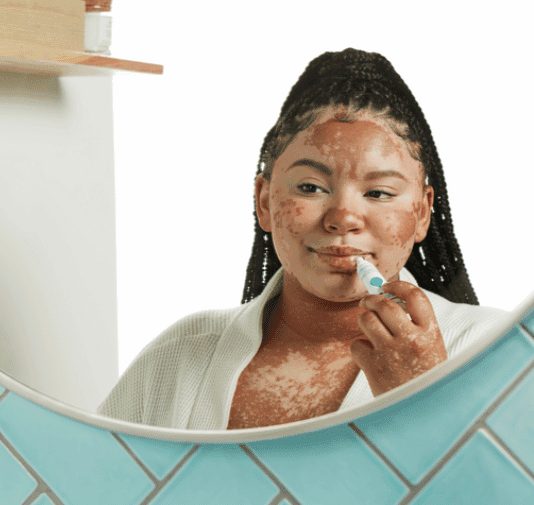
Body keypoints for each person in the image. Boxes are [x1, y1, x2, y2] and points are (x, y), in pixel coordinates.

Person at [98, 48, 508, 430]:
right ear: (264, 202)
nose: (343, 218)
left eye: (379, 193)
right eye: (311, 187)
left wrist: (427, 403)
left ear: (421, 213)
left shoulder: (495, 352)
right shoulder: (175, 360)